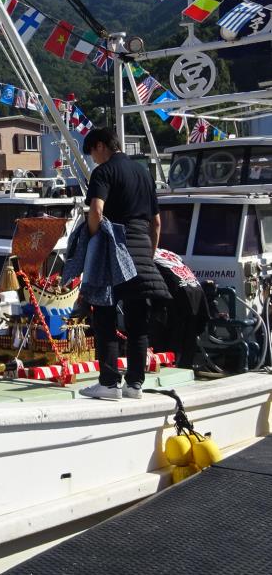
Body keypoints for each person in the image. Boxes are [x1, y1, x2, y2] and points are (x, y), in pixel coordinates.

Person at [79, 127, 169, 401]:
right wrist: (149, 254)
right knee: (137, 321)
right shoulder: (143, 173)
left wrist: (93, 239)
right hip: (142, 250)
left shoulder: (104, 172)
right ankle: (135, 385)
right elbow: (156, 222)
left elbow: (96, 211)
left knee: (104, 315)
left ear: (99, 146)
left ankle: (108, 383)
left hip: (114, 251)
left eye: (92, 153)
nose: (93, 160)